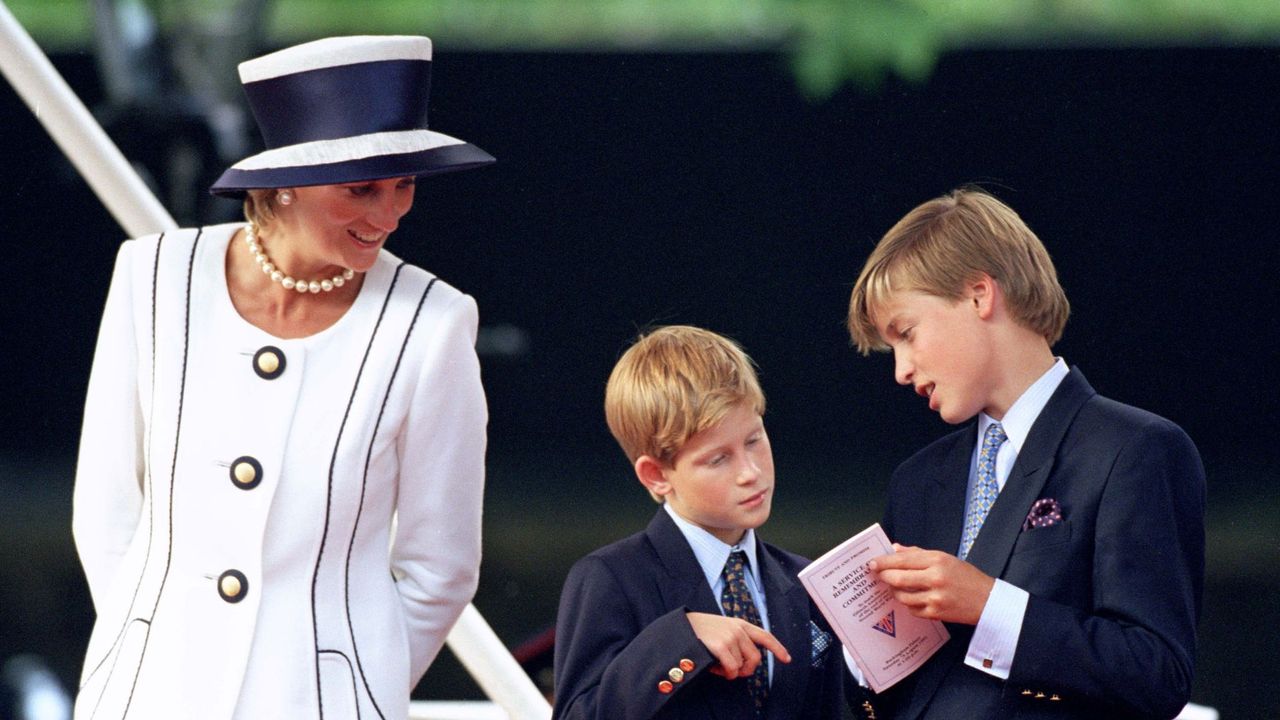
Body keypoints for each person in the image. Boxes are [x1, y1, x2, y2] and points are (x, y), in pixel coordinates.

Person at [71, 35, 494, 718]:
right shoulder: (151, 277)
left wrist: (354, 680)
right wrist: (146, 646)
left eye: (404, 185)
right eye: (361, 188)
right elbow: (106, 510)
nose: (388, 215)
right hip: (146, 694)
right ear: (284, 182)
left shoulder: (434, 322)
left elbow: (440, 568)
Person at [845, 188, 1205, 719]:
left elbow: (1158, 673)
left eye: (907, 334)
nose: (900, 371)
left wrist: (991, 606)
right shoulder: (918, 480)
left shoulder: (1135, 449)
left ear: (978, 295)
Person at [553, 325, 856, 720]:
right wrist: (680, 639)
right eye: (718, 459)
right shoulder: (610, 579)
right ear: (656, 476)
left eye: (754, 440)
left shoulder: (806, 580)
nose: (750, 472)